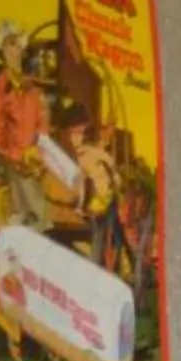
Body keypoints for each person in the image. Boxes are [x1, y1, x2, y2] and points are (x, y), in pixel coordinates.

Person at [0, 23, 50, 230]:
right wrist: (15, 155)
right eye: (10, 45)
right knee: (31, 210)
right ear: (2, 52)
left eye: (17, 45)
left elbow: (42, 124)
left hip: (35, 158)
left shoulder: (33, 89)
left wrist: (37, 153)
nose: (15, 50)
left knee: (40, 205)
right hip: (14, 159)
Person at [68, 119, 123, 280]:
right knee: (106, 240)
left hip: (90, 205)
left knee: (100, 238)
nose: (107, 140)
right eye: (105, 137)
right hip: (104, 202)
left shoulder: (80, 156)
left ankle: (102, 270)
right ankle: (105, 272)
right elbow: (117, 181)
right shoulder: (103, 156)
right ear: (98, 139)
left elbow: (81, 182)